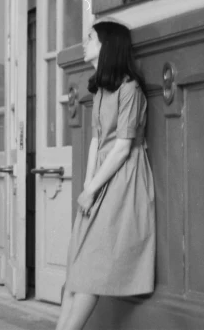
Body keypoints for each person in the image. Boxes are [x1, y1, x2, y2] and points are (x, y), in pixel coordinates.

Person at [55, 17, 155, 330]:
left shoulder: (130, 89)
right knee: (76, 270)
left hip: (121, 180)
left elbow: (123, 148)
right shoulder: (102, 89)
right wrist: (88, 183)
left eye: (90, 38)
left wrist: (92, 188)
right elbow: (97, 140)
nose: (84, 43)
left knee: (89, 272)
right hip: (101, 179)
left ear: (107, 45)